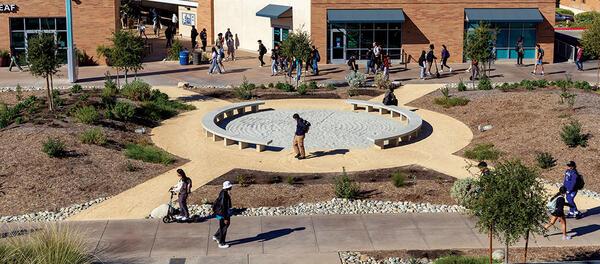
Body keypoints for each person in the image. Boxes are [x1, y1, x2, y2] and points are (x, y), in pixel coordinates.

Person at [212, 181, 233, 248]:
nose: (231, 187)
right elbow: (223, 207)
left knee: (223, 226)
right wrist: (225, 218)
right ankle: (221, 243)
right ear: (228, 187)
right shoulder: (224, 195)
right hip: (223, 214)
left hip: (221, 213)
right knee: (224, 227)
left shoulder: (222, 192)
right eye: (230, 186)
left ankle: (216, 236)